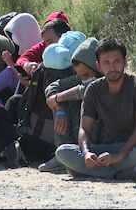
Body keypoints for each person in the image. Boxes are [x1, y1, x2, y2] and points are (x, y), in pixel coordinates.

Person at [55, 37, 136, 181]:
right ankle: (120, 174)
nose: (112, 68)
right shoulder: (93, 89)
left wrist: (119, 156)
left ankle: (96, 172)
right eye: (106, 63)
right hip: (107, 149)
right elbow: (84, 128)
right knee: (63, 152)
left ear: (125, 62)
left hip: (135, 148)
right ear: (98, 65)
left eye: (116, 62)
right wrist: (86, 153)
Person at [39, 37, 104, 172]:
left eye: (86, 74)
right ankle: (64, 152)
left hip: (102, 138)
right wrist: (59, 108)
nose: (83, 79)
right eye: (80, 76)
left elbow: (86, 90)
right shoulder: (80, 77)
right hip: (80, 133)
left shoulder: (107, 79)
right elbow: (53, 86)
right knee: (62, 104)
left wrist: (57, 99)